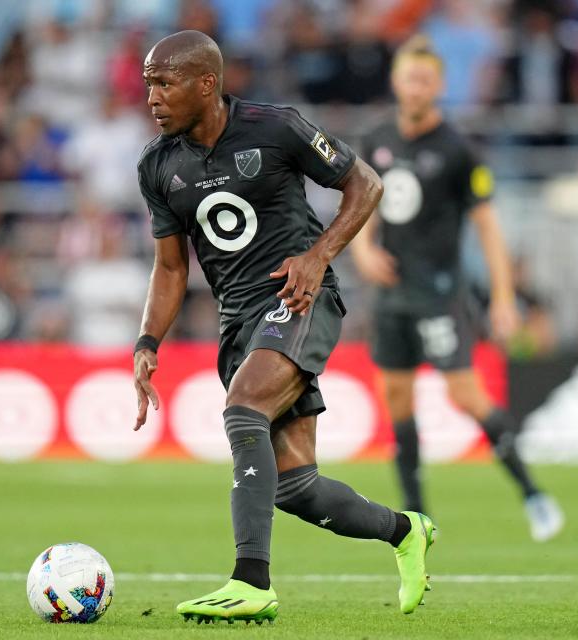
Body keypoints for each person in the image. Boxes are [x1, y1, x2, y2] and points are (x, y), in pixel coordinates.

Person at [132, 30, 435, 625]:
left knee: (244, 406)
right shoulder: (158, 165)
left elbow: (365, 184)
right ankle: (408, 530)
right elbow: (170, 267)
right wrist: (147, 343)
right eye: (149, 85)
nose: (154, 98)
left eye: (165, 83)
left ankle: (251, 582)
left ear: (206, 83)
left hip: (300, 299)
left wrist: (319, 255)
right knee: (295, 487)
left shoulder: (277, 127)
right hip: (237, 322)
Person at [351, 36, 564, 542]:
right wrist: (362, 250)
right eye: (410, 77)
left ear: (439, 86)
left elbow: (488, 227)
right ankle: (418, 521)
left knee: (465, 394)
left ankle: (533, 493)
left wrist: (506, 296)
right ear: (396, 81)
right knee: (396, 400)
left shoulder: (459, 150)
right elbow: (360, 204)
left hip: (439, 293)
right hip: (391, 297)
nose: (417, 87)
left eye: (426, 79)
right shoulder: (376, 137)